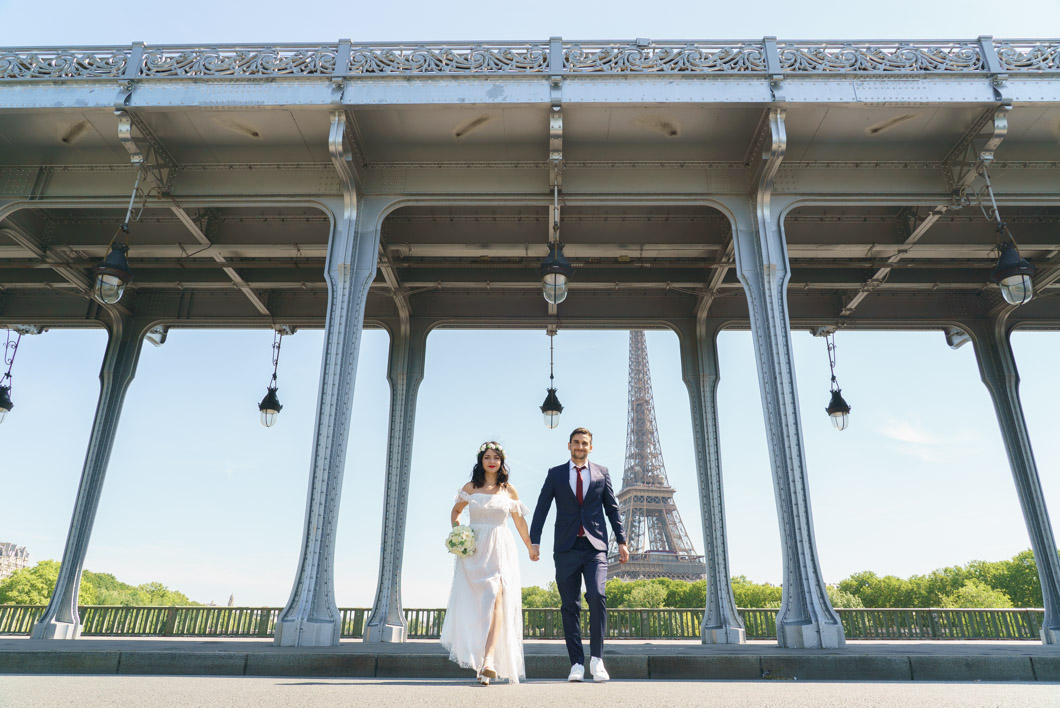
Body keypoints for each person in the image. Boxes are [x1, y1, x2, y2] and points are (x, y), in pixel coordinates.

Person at [529, 427, 628, 683]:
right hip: (566, 548)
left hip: (595, 547)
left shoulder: (602, 473)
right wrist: (534, 541)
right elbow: (541, 508)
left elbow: (613, 510)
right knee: (569, 606)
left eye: (585, 443)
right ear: (569, 445)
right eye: (576, 442)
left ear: (590, 447)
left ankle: (597, 659)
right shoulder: (556, 474)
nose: (580, 447)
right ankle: (576, 663)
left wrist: (622, 541)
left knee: (597, 595)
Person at [440, 441, 536, 685]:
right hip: (474, 550)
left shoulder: (509, 490)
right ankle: (481, 660)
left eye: (496, 457)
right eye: (487, 457)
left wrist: (530, 546)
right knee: (478, 605)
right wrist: (458, 534)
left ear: (502, 462)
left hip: (500, 547)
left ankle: (489, 660)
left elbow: (519, 522)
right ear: (480, 461)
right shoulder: (470, 488)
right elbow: (455, 512)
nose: (492, 461)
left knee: (497, 596)